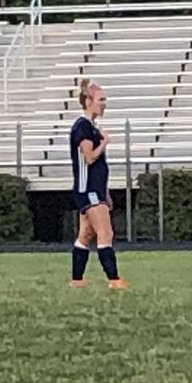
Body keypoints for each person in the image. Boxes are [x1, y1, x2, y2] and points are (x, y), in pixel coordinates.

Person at [70, 78, 126, 290]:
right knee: (105, 233)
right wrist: (104, 143)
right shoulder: (83, 127)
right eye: (101, 100)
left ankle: (77, 280)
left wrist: (106, 193)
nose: (104, 104)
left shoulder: (91, 127)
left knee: (85, 236)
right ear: (88, 101)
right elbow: (89, 158)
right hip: (88, 190)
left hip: (95, 190)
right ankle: (114, 280)